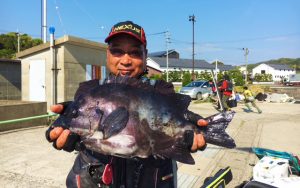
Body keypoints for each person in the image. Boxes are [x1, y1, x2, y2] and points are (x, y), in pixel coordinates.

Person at [46, 21, 209, 188]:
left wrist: (189, 133)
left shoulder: (161, 90)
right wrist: (63, 124)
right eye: (117, 51)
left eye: (135, 52)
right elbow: (76, 125)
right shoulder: (89, 90)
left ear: (146, 56)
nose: (125, 60)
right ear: (107, 54)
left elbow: (173, 122)